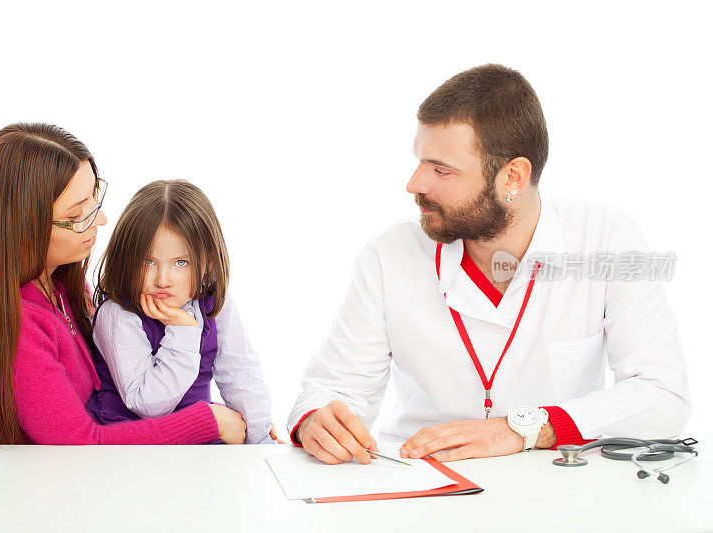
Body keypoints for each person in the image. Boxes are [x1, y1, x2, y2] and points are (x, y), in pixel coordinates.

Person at [287, 64, 691, 465]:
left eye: (441, 169)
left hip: (558, 485)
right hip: (422, 481)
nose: (415, 184)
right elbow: (332, 388)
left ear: (513, 176)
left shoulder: (606, 241)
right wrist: (315, 420)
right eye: (420, 161)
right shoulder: (388, 254)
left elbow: (663, 395)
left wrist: (524, 428)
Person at [0, 123, 246, 445]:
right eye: (78, 214)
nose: (101, 220)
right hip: (43, 488)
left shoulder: (61, 285)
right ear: (24, 225)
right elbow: (80, 445)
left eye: (95, 197)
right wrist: (209, 422)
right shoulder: (11, 323)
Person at [85, 179, 278, 444]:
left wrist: (259, 438)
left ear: (208, 261)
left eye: (180, 262)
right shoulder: (118, 314)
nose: (163, 279)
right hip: (132, 445)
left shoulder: (210, 301)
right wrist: (182, 331)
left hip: (198, 441)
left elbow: (240, 371)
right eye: (148, 261)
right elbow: (148, 404)